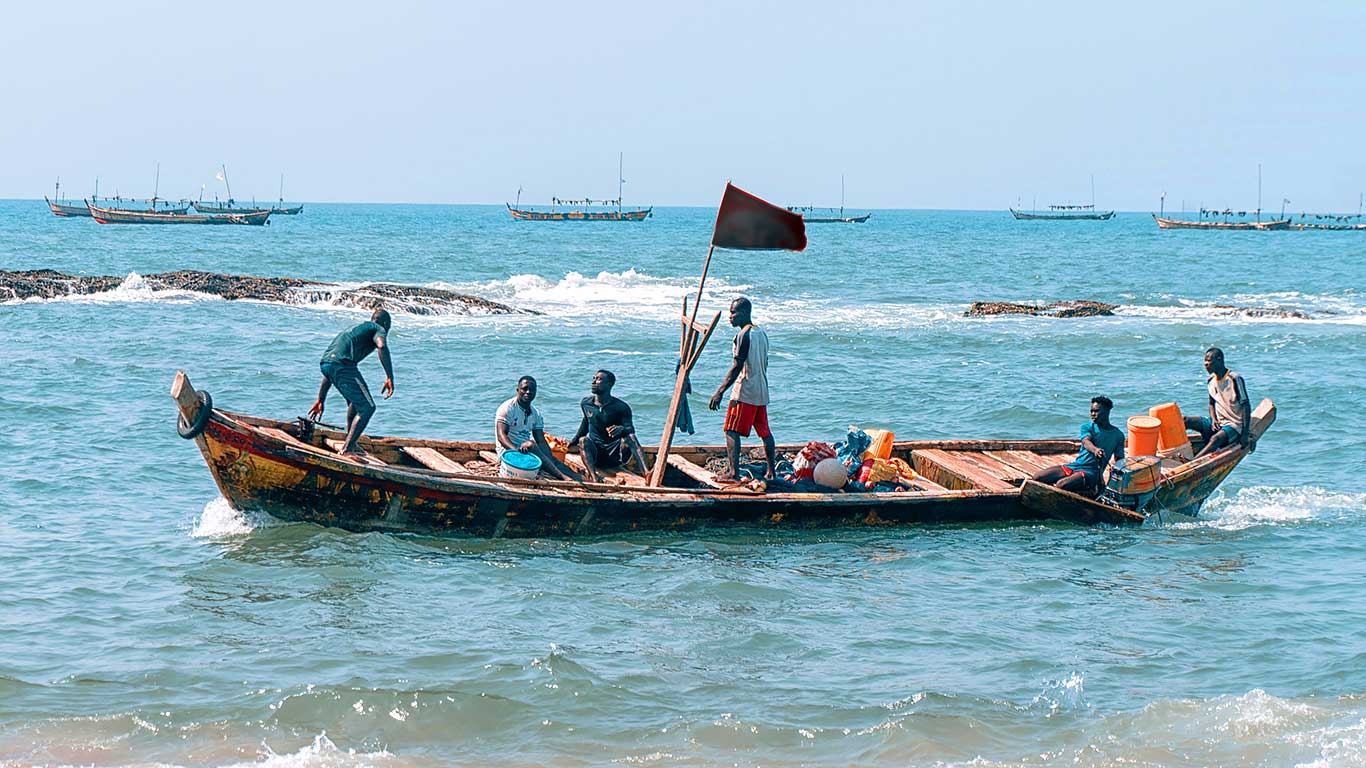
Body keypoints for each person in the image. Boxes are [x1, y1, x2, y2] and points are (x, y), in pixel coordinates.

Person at [308, 308, 394, 456]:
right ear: (385, 323)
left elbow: (330, 367)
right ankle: (347, 448)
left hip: (326, 363)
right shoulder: (378, 328)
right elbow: (382, 346)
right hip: (343, 365)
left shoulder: (358, 328)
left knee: (355, 402)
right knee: (368, 407)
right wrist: (389, 377)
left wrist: (320, 399)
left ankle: (351, 442)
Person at [708, 297, 775, 481]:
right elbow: (765, 362)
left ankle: (733, 473)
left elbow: (737, 366)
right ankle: (771, 471)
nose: (730, 317)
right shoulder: (761, 333)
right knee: (764, 432)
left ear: (744, 314)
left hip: (745, 390)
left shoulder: (743, 335)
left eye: (733, 313)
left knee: (731, 430)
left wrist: (720, 391)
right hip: (761, 390)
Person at [1032, 396, 1126, 497]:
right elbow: (1086, 442)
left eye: (1096, 411)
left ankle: (1088, 491)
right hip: (1075, 466)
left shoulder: (1118, 435)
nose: (1093, 414)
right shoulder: (1087, 427)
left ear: (1107, 412)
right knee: (1037, 477)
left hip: (1092, 473)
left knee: (1061, 485)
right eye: (1091, 411)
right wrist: (1095, 450)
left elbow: (1119, 461)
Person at [568, 370, 650, 482]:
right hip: (596, 455)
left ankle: (646, 473)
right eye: (594, 378)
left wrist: (621, 429)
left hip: (615, 455)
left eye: (599, 379)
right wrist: (572, 442)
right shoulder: (586, 403)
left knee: (631, 437)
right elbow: (586, 423)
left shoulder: (621, 407)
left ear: (609, 384)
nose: (594, 382)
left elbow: (630, 430)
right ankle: (593, 476)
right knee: (583, 440)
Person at [494, 376, 574, 480]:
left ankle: (587, 482)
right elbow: (501, 436)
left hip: (526, 452)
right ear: (518, 390)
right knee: (530, 444)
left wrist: (550, 459)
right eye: (524, 389)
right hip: (509, 453)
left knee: (556, 462)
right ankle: (562, 477)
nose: (528, 392)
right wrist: (517, 451)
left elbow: (541, 440)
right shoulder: (507, 408)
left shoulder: (535, 413)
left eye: (531, 390)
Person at [1183, 347, 1254, 459]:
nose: (1206, 364)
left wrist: (1244, 434)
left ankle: (1191, 462)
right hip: (1219, 422)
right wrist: (1214, 419)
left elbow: (1246, 406)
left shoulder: (1235, 378)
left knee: (1215, 440)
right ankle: (1179, 451)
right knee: (1184, 421)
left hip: (1234, 425)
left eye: (1209, 361)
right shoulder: (1211, 380)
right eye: (1205, 361)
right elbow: (1211, 403)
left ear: (1219, 360)